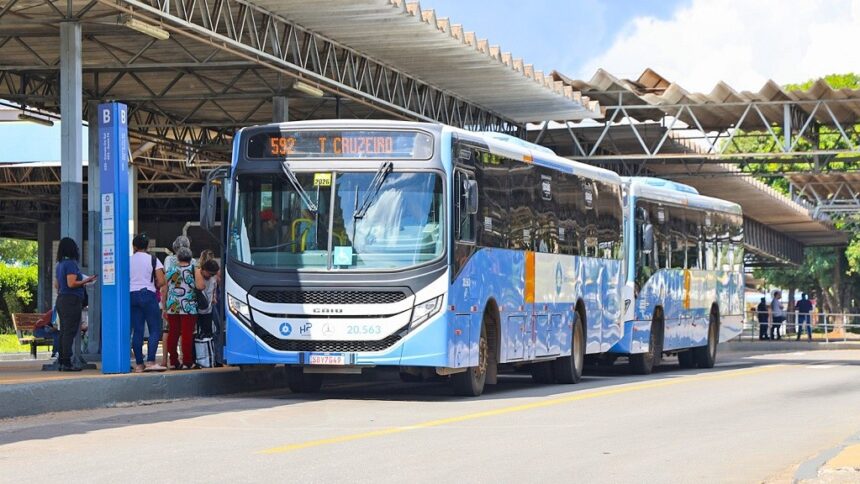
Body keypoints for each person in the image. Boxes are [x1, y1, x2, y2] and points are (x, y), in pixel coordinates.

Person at [54, 237, 96, 371]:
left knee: (63, 331)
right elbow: (71, 283)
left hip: (61, 299)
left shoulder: (59, 264)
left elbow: (57, 285)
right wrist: (87, 280)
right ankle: (67, 362)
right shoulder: (71, 264)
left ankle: (61, 361)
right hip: (71, 300)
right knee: (69, 332)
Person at [129, 234, 167, 372]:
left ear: (134, 246)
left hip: (131, 295)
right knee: (154, 329)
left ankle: (139, 364)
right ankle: (151, 361)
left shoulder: (129, 260)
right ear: (147, 246)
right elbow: (162, 280)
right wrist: (155, 285)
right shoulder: (153, 259)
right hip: (148, 294)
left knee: (137, 330)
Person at [165, 247, 198, 370]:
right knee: (187, 334)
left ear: (177, 257)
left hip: (173, 305)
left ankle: (173, 361)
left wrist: (164, 307)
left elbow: (165, 289)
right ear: (190, 258)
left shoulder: (170, 270)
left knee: (173, 333)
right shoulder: (194, 270)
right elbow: (200, 286)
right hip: (189, 306)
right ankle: (187, 361)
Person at [194, 250, 220, 338]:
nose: (211, 276)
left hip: (208, 309)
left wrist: (214, 297)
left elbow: (214, 288)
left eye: (213, 274)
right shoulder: (197, 274)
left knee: (210, 333)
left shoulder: (213, 277)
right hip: (197, 310)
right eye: (210, 274)